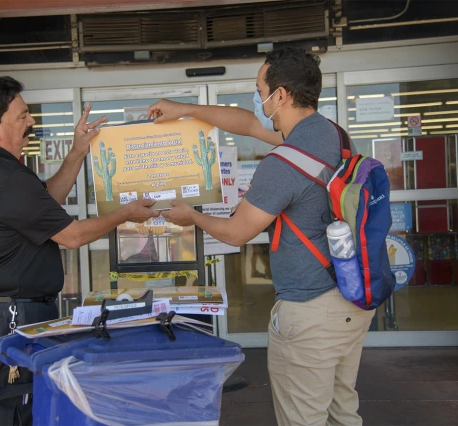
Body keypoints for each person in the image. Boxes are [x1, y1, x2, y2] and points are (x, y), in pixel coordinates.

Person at [148, 47, 375, 426]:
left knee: (303, 418)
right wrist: (184, 109)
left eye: (259, 89)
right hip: (352, 299)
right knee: (342, 413)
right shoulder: (333, 136)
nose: (257, 99)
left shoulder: (282, 163)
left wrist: (192, 216)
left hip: (311, 312)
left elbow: (237, 232)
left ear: (280, 95)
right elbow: (249, 124)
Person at [0, 76, 159, 426]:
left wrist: (79, 150)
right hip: (14, 315)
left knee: (28, 406)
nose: (31, 121)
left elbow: (48, 200)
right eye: (21, 116)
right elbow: (72, 236)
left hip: (16, 310)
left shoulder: (0, 169)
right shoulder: (1, 177)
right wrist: (126, 213)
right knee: (17, 409)